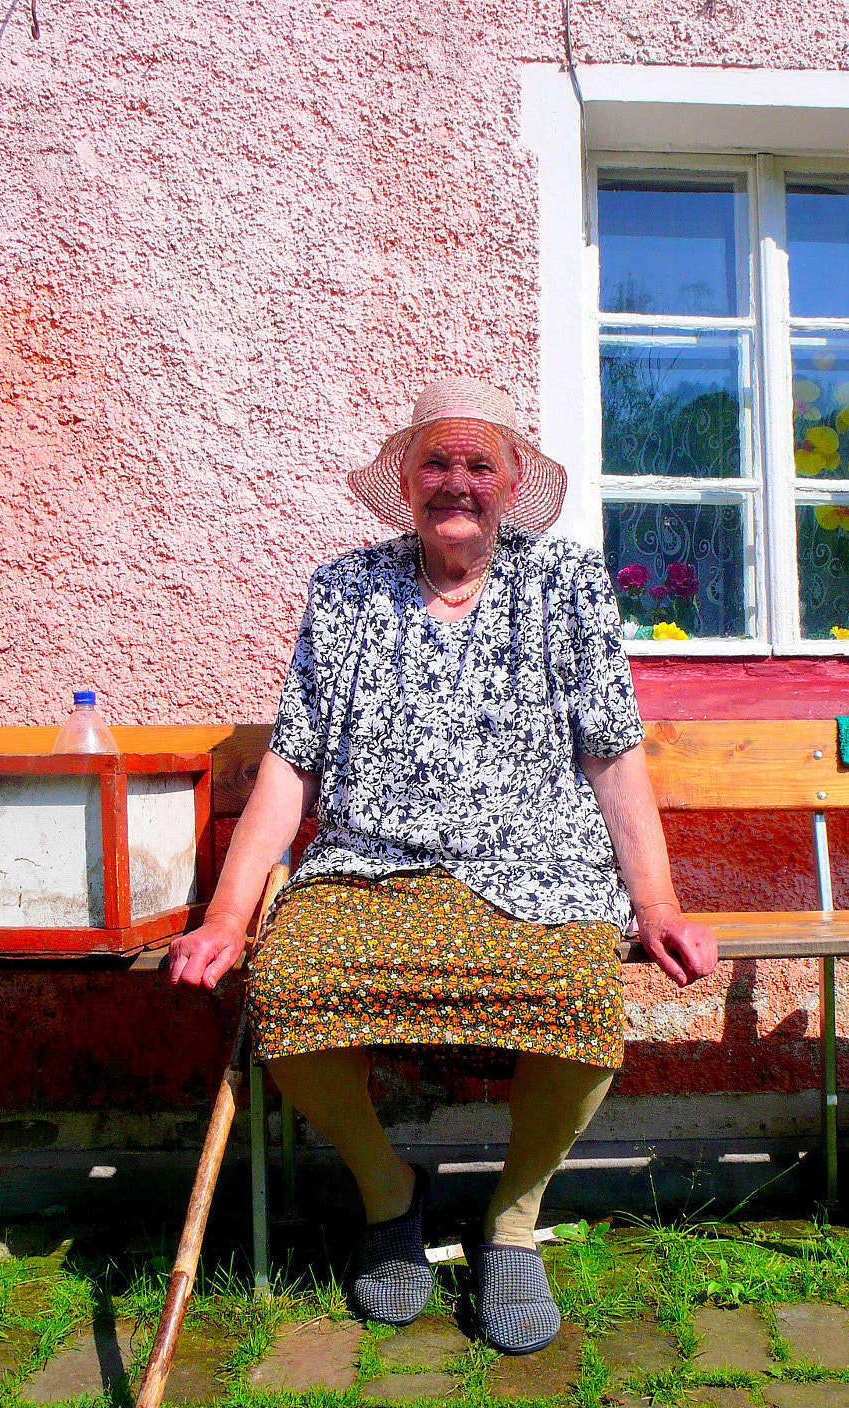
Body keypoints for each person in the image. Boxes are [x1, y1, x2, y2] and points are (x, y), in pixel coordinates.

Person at [169, 375, 717, 1355]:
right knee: (289, 982)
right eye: (437, 462)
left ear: (511, 483)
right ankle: (391, 1193)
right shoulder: (346, 589)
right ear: (408, 479)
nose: (456, 482)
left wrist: (659, 900)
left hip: (538, 863)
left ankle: (511, 1218)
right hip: (368, 865)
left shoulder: (567, 582)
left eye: (479, 464)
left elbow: (611, 749)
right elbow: (293, 764)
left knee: (577, 991)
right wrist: (224, 913)